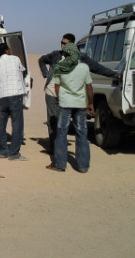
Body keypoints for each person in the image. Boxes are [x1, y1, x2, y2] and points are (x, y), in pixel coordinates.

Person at [38, 33, 117, 154]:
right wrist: (45, 73)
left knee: (66, 123)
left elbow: (97, 68)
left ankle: (63, 150)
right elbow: (42, 60)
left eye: (66, 43)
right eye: (62, 43)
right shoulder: (55, 55)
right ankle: (56, 150)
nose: (62, 45)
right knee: (53, 121)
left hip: (68, 96)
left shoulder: (81, 58)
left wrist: (115, 75)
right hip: (52, 93)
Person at [46, 42, 94, 172]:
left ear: (65, 53)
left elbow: (57, 86)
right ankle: (83, 166)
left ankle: (60, 164)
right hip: (80, 104)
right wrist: (90, 103)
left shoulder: (60, 66)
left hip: (65, 104)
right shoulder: (84, 67)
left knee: (61, 133)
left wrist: (60, 99)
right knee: (82, 134)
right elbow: (89, 87)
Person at [0, 43, 27, 160]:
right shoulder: (15, 59)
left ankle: (2, 151)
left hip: (2, 96)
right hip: (15, 94)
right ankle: (14, 153)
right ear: (7, 50)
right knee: (17, 124)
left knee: (1, 124)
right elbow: (22, 71)